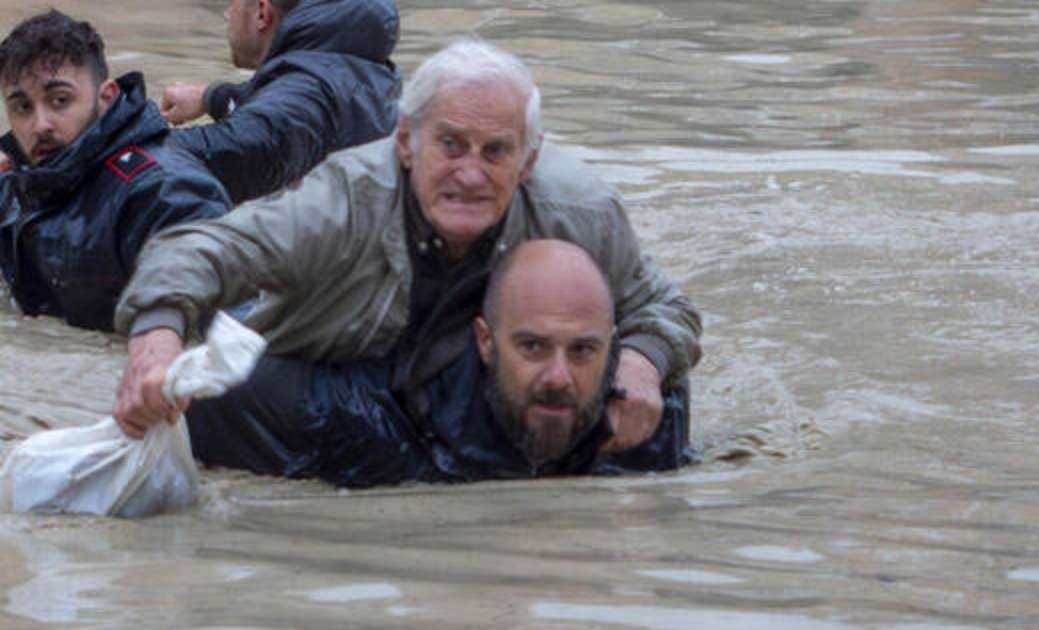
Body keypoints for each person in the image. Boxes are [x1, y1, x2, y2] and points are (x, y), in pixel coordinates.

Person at [112, 39, 702, 484]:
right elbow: (197, 249)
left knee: (663, 405)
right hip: (347, 384)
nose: (470, 174)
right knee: (220, 396)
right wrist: (155, 339)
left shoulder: (582, 211)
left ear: (527, 160)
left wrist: (643, 364)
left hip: (484, 387)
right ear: (405, 142)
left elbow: (663, 307)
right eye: (450, 145)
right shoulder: (342, 201)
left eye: (495, 151)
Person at [178, 240, 692, 485]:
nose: (559, 377)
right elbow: (206, 395)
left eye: (583, 351)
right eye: (532, 348)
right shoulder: (367, 420)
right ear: (486, 342)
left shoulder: (644, 420)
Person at [0, 11, 230, 332]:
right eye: (23, 107)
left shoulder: (163, 192)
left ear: (106, 97)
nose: (40, 125)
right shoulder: (21, 182)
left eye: (60, 100)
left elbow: (229, 330)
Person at [159, 0, 400, 205]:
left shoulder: (307, 94)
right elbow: (279, 105)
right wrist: (210, 97)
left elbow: (248, 143)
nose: (227, 14)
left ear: (262, 12)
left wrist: (129, 141)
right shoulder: (360, 70)